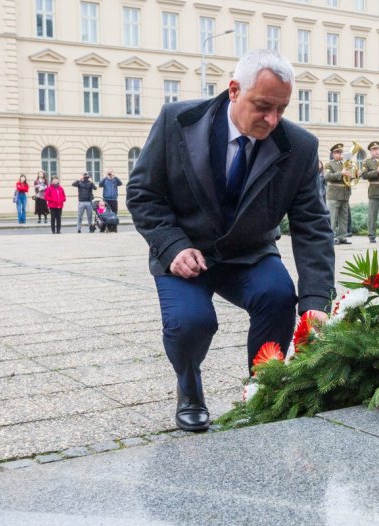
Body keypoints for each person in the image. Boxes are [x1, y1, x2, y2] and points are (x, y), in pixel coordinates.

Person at [126, 49, 335, 433]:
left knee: (277, 298)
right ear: (235, 89)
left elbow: (313, 226)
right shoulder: (178, 121)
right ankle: (189, 388)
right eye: (263, 106)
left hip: (249, 253)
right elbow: (142, 193)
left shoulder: (300, 147)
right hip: (184, 253)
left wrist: (316, 301)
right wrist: (171, 246)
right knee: (191, 322)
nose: (272, 119)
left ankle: (261, 391)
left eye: (281, 109)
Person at [323, 143, 352, 245]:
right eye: (337, 153)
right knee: (332, 217)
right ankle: (330, 237)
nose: (339, 154)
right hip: (333, 195)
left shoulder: (346, 164)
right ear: (333, 154)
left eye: (340, 152)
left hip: (345, 194)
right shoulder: (329, 164)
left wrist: (355, 174)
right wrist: (341, 173)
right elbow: (327, 177)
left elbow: (350, 177)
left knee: (343, 217)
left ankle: (342, 237)